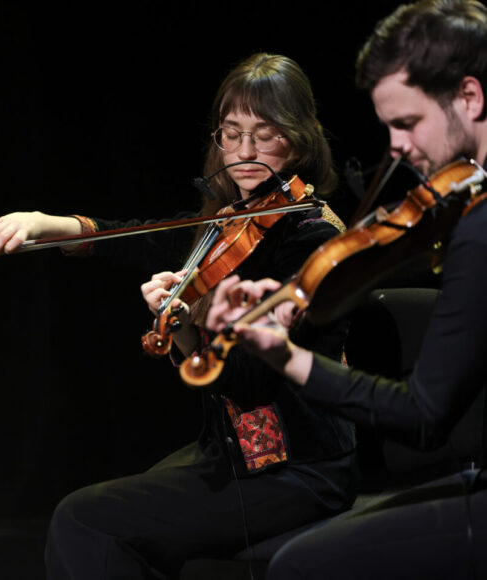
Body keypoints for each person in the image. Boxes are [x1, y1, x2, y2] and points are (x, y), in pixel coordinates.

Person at [26, 53, 358, 579]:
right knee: (110, 522)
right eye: (231, 134)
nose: (245, 152)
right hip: (230, 456)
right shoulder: (228, 224)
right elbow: (142, 237)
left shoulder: (312, 241)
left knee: (84, 522)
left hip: (297, 469)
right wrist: (54, 225)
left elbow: (254, 384)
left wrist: (183, 330)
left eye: (264, 135)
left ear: (297, 141)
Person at [205, 1, 487, 577]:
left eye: (406, 123)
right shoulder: (470, 212)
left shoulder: (479, 230)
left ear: (470, 98)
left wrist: (287, 357)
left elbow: (425, 417)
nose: (397, 147)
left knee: (300, 567)